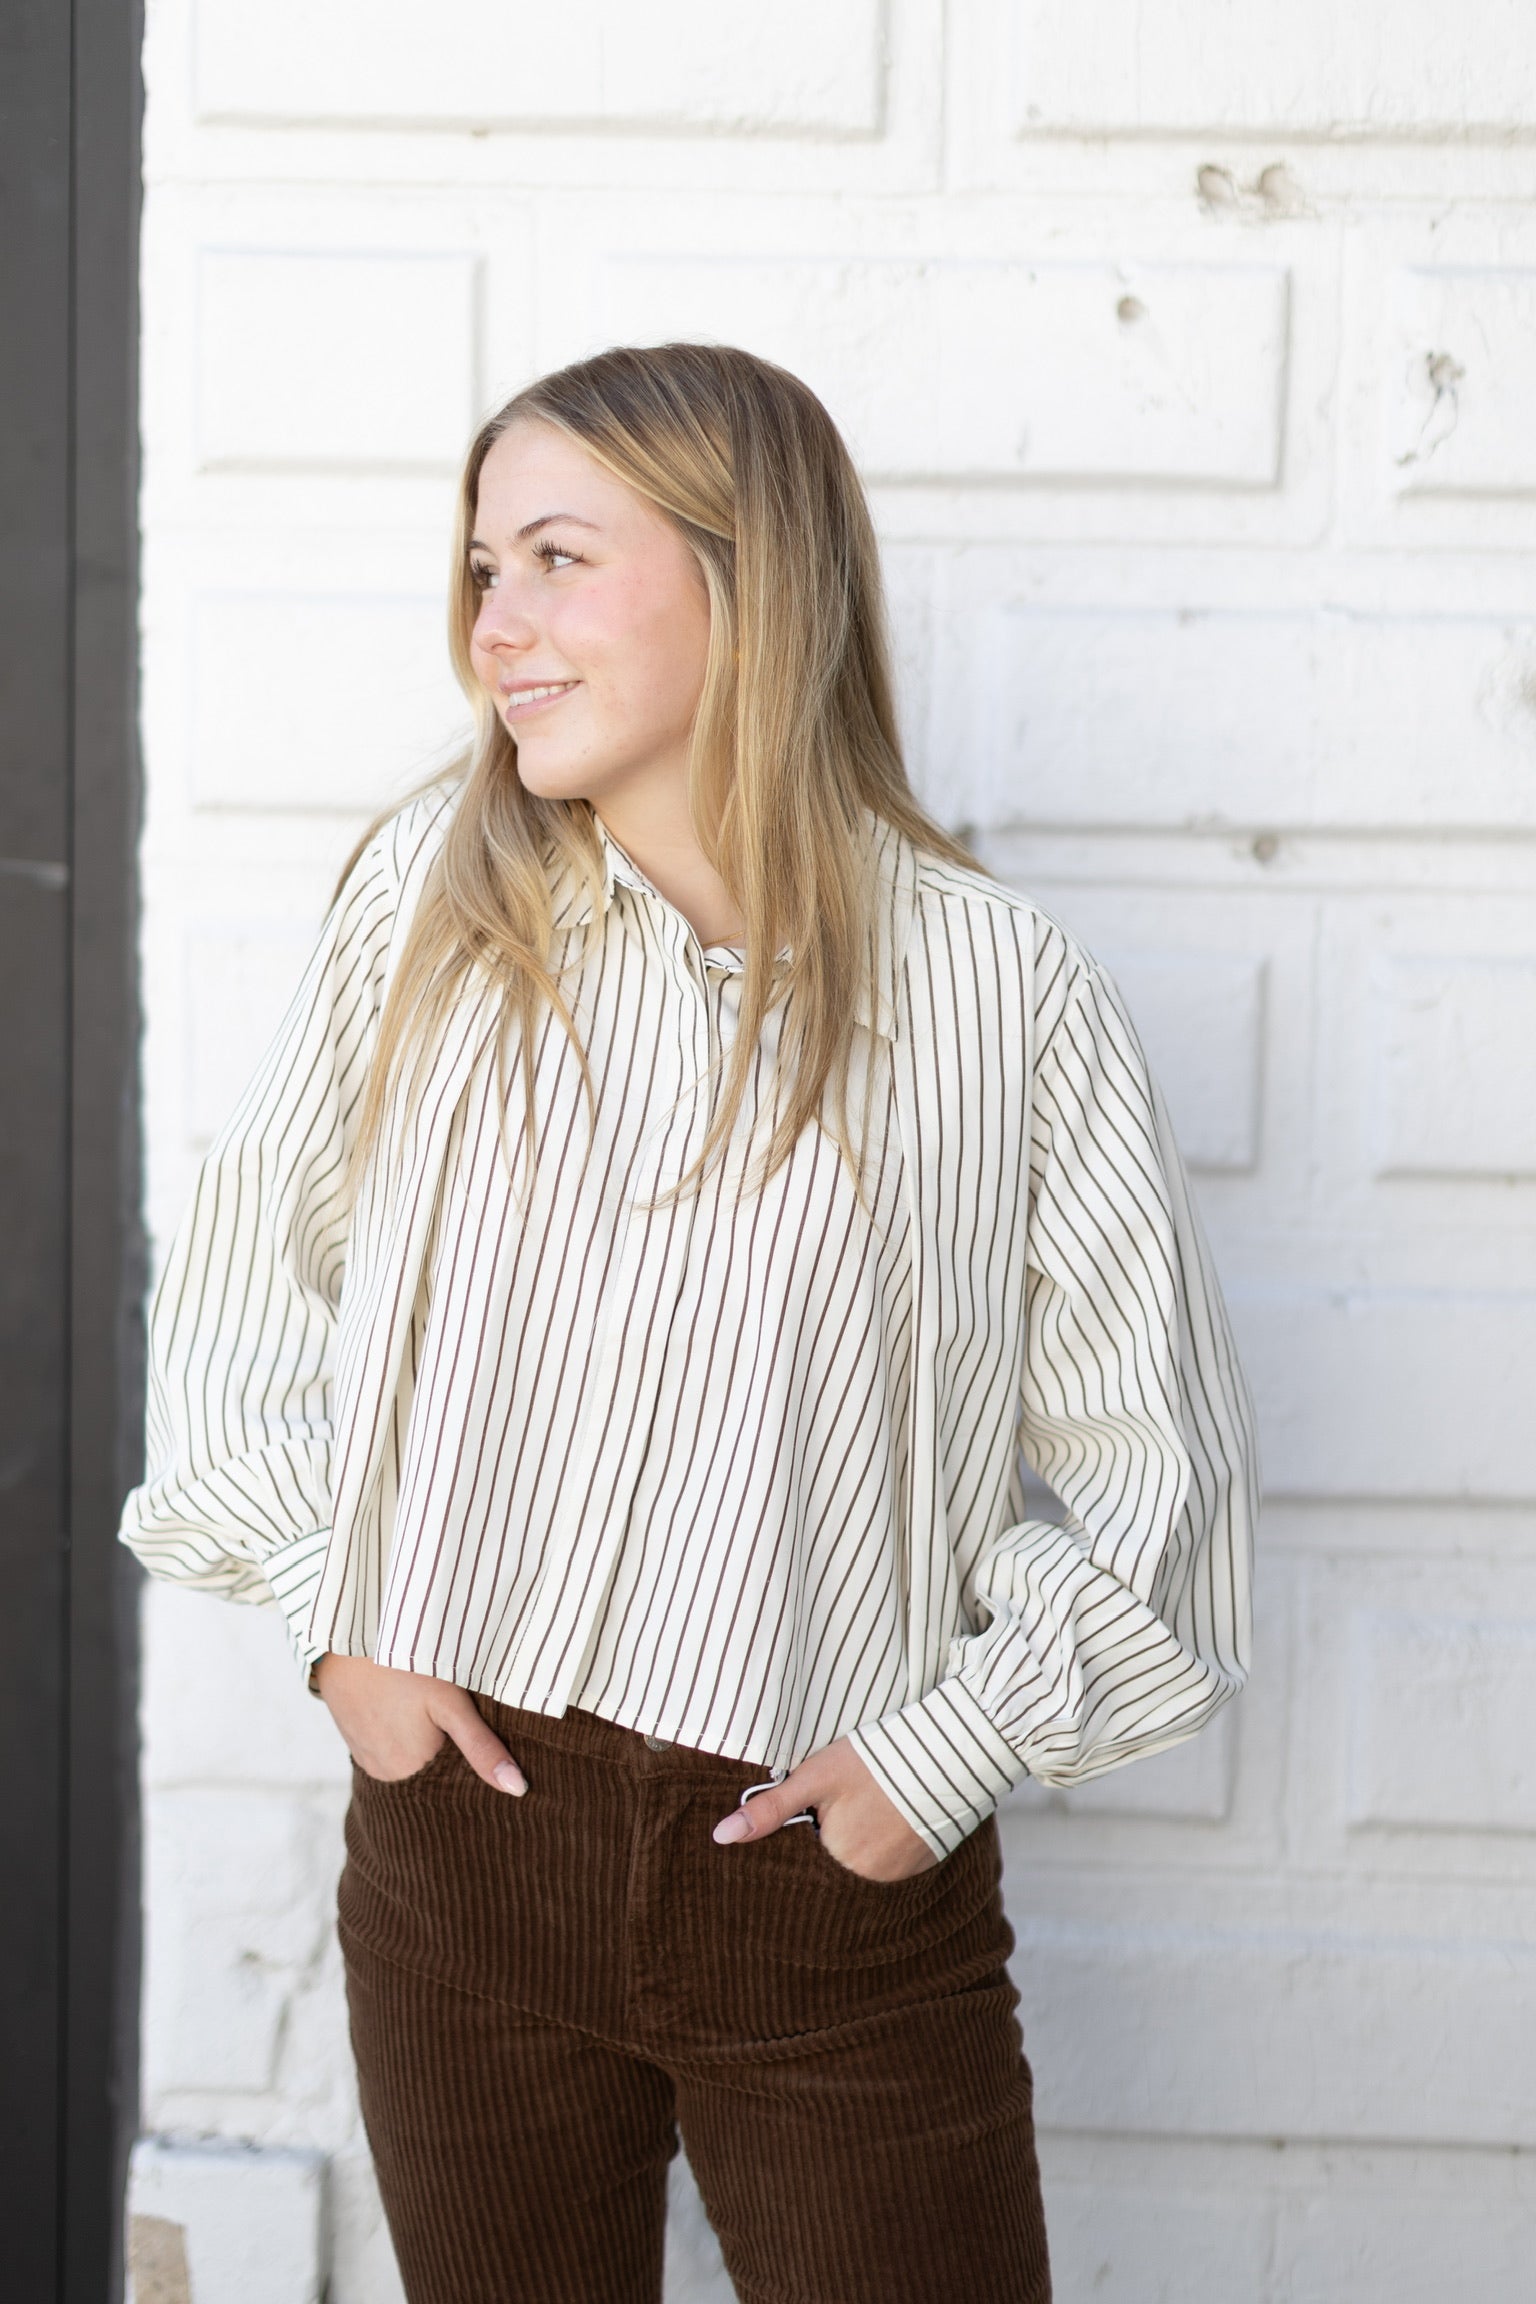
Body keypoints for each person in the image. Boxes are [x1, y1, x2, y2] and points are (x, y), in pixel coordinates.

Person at [119, 341, 1258, 2304]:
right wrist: (345, 1620)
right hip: (464, 1846)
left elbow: (1165, 1484)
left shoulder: (1001, 996)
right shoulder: (426, 904)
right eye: (483, 570)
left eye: (558, 559)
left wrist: (946, 1755)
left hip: (826, 1892)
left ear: (751, 578)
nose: (499, 628)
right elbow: (237, 1302)